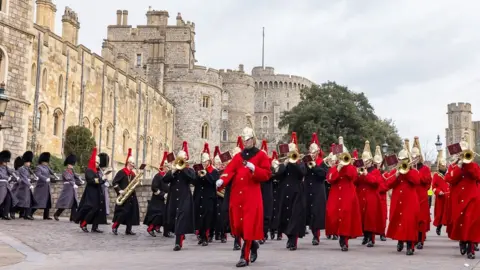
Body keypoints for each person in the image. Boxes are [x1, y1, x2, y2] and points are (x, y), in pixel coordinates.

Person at [216, 115, 272, 267]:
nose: (245, 142)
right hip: (236, 196)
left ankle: (244, 256)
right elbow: (230, 170)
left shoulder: (261, 155)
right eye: (244, 139)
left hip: (251, 197)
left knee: (248, 226)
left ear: (253, 139)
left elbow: (267, 174)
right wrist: (222, 180)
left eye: (248, 139)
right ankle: (253, 244)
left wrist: (255, 169)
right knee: (238, 227)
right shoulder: (238, 156)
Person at [325, 136, 362, 251]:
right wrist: (338, 168)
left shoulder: (350, 167)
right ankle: (338, 234)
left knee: (346, 216)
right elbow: (330, 179)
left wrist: (347, 166)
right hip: (336, 194)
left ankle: (344, 240)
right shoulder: (335, 167)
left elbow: (354, 177)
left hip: (347, 194)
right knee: (333, 214)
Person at [383, 142, 420, 256]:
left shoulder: (413, 171)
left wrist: (407, 172)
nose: (402, 161)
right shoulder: (395, 171)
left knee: (409, 223)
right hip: (397, 201)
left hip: (410, 202)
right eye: (400, 159)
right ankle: (399, 241)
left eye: (404, 159)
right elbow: (387, 184)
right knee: (398, 221)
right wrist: (397, 175)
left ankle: (410, 245)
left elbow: (416, 181)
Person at [445, 139, 480, 259]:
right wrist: (459, 166)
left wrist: (468, 164)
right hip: (458, 199)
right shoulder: (454, 166)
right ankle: (462, 241)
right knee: (459, 221)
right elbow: (449, 179)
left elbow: (477, 176)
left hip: (472, 198)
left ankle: (471, 250)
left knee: (470, 222)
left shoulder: (474, 165)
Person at [272, 132, 307, 251]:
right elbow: (277, 175)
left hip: (297, 192)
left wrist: (294, 162)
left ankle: (293, 241)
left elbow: (302, 173)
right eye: (289, 151)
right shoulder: (284, 162)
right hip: (285, 193)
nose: (291, 153)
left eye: (293, 151)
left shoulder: (300, 162)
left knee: (295, 216)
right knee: (286, 216)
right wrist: (285, 163)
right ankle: (289, 238)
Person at [163, 141, 196, 251]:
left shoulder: (189, 170)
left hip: (184, 197)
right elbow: (165, 179)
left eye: (183, 158)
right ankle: (180, 237)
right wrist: (173, 170)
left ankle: (178, 243)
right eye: (179, 158)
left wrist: (183, 168)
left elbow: (193, 179)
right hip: (174, 197)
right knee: (175, 219)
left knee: (181, 218)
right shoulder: (174, 170)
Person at [356, 141, 384, 247]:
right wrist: (358, 174)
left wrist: (366, 175)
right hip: (361, 197)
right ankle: (365, 236)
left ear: (371, 161)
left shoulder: (375, 171)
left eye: (366, 161)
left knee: (370, 218)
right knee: (363, 218)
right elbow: (355, 183)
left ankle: (371, 239)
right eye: (363, 161)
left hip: (371, 197)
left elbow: (375, 183)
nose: (365, 163)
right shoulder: (361, 170)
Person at [75, 148, 109, 233]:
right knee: (92, 208)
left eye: (98, 163)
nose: (98, 164)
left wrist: (104, 178)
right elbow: (92, 181)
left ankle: (95, 226)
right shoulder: (89, 170)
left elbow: (99, 181)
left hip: (97, 191)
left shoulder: (96, 171)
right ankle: (84, 223)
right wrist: (102, 178)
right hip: (91, 192)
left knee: (98, 209)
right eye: (96, 162)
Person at [193, 142, 219, 246]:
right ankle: (201, 236)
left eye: (205, 161)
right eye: (202, 162)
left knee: (207, 218)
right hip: (199, 197)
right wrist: (198, 175)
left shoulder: (214, 171)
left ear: (209, 161)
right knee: (199, 218)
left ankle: (206, 237)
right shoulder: (198, 171)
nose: (204, 164)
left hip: (209, 198)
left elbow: (213, 181)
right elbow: (194, 182)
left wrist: (205, 174)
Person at [303, 133, 327, 245]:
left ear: (317, 152)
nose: (312, 154)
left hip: (318, 190)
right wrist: (306, 164)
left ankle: (316, 236)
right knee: (310, 212)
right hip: (308, 189)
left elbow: (323, 175)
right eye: (311, 152)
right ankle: (312, 232)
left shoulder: (322, 163)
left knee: (317, 212)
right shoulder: (306, 161)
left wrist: (315, 166)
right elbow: (302, 173)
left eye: (314, 152)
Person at [112, 148, 141, 235]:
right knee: (123, 212)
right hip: (124, 195)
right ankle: (115, 227)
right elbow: (114, 182)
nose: (133, 165)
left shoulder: (132, 174)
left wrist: (138, 181)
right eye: (132, 163)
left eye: (134, 163)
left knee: (131, 212)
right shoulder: (121, 172)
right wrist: (119, 190)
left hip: (131, 195)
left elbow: (134, 183)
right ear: (128, 163)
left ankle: (128, 229)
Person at [411, 137, 432, 249]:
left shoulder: (425, 169)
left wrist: (416, 173)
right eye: (413, 156)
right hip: (411, 196)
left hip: (422, 197)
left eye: (416, 157)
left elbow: (427, 181)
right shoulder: (408, 168)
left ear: (419, 157)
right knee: (412, 219)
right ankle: (412, 238)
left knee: (421, 219)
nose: (414, 159)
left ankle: (420, 239)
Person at [144, 151, 169, 237]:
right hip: (157, 200)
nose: (168, 168)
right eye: (167, 167)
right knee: (157, 215)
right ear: (164, 167)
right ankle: (150, 228)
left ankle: (158, 228)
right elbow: (154, 187)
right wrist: (163, 194)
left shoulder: (167, 176)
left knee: (163, 216)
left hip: (165, 200)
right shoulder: (158, 176)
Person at [54, 154, 84, 221]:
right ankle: (56, 214)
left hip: (73, 190)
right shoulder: (66, 171)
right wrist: (74, 184)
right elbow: (69, 179)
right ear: (68, 165)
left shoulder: (72, 172)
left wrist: (80, 181)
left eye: (72, 165)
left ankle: (73, 217)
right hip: (67, 190)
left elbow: (75, 178)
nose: (72, 166)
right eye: (71, 165)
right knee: (64, 203)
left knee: (74, 204)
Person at [11, 151, 36, 220]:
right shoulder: (21, 169)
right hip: (22, 187)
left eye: (30, 162)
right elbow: (24, 178)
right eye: (28, 162)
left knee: (28, 201)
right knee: (20, 201)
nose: (29, 164)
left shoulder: (27, 169)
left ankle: (26, 215)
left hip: (26, 187)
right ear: (25, 162)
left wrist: (33, 179)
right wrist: (29, 184)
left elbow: (28, 177)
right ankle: (12, 212)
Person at [259, 140, 274, 244]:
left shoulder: (270, 166)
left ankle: (264, 233)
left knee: (266, 215)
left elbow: (271, 175)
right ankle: (259, 234)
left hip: (267, 191)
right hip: (258, 191)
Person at [32, 152, 55, 220]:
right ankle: (29, 213)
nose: (46, 163)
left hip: (46, 187)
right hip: (41, 187)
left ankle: (46, 216)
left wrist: (53, 174)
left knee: (47, 201)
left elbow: (51, 172)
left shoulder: (47, 167)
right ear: (42, 161)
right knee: (38, 201)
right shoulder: (38, 167)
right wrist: (45, 179)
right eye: (45, 161)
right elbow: (38, 175)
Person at [432, 149, 449, 236]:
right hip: (441, 198)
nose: (444, 167)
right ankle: (439, 226)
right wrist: (439, 192)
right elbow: (433, 187)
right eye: (442, 166)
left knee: (449, 214)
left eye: (445, 165)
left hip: (448, 197)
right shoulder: (436, 175)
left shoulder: (449, 174)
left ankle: (450, 229)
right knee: (440, 214)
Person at [373, 145, 388, 241]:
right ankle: (371, 236)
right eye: (376, 163)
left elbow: (386, 186)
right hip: (374, 197)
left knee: (382, 216)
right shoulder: (372, 172)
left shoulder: (384, 174)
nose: (378, 164)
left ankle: (382, 233)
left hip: (381, 197)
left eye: (379, 163)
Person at [0, 150, 18, 220]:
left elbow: (11, 173)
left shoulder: (6, 168)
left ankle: (5, 215)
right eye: (4, 161)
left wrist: (14, 175)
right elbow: (1, 176)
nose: (5, 163)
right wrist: (8, 177)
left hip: (6, 187)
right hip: (1, 186)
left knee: (9, 199)